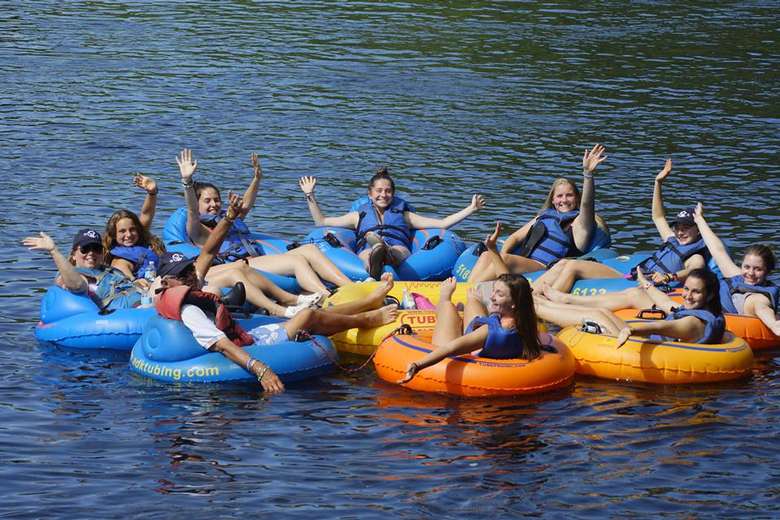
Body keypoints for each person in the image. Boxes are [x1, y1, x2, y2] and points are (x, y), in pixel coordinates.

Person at [155, 192, 399, 393]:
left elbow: (208, 252)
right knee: (306, 317)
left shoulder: (188, 285)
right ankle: (368, 318)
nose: (189, 275)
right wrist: (261, 369)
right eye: (182, 274)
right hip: (250, 347)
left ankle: (369, 301)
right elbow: (221, 346)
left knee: (312, 312)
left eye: (188, 270)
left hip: (249, 335)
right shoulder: (189, 310)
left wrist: (229, 217)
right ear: (167, 282)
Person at [177, 148, 352, 294]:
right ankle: (326, 296)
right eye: (207, 201)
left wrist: (256, 179)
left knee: (310, 249)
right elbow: (191, 210)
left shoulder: (228, 218)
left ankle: (350, 287)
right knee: (296, 261)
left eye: (216, 200)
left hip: (258, 259)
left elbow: (246, 204)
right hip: (239, 265)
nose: (214, 204)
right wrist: (187, 181)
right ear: (197, 202)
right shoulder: (198, 230)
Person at [532, 158, 708, 292]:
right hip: (629, 276)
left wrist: (669, 276)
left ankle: (545, 301)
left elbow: (694, 272)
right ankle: (530, 296)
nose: (680, 231)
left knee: (573, 266)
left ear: (699, 230)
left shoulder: (695, 256)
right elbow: (658, 216)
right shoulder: (672, 239)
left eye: (686, 227)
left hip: (642, 285)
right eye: (678, 227)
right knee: (564, 264)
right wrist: (658, 183)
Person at [299, 167, 486, 279]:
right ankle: (376, 257)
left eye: (388, 191)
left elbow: (443, 224)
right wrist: (310, 194)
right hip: (369, 249)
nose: (383, 195)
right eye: (379, 191)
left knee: (399, 251)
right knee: (366, 253)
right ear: (370, 194)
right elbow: (321, 221)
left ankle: (383, 251)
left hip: (397, 248)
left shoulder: (404, 216)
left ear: (393, 194)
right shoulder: (358, 216)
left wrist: (471, 209)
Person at [467, 144, 606, 283]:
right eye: (559, 196)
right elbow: (515, 237)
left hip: (543, 267)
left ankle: (468, 293)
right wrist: (500, 254)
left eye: (569, 195)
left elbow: (587, 205)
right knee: (486, 255)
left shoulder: (579, 222)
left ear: (577, 199)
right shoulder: (544, 216)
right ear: (553, 199)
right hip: (525, 261)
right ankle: (464, 290)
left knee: (504, 259)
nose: (564, 200)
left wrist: (587, 174)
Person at [398, 274, 542, 384]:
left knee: (447, 308)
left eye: (500, 294)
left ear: (514, 303)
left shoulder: (489, 331)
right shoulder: (527, 323)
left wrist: (417, 365)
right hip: (481, 334)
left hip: (468, 349)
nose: (492, 297)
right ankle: (468, 302)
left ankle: (445, 297)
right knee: (473, 299)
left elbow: (450, 348)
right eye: (494, 291)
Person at [537, 268, 726, 346]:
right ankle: (543, 303)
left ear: (709, 295)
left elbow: (659, 326)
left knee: (597, 315)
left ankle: (536, 307)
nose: (687, 295)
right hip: (646, 340)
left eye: (696, 292)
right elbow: (667, 304)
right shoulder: (700, 312)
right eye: (686, 289)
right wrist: (646, 284)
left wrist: (631, 329)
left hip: (638, 343)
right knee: (601, 312)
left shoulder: (694, 323)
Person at [692, 203, 780, 335]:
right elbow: (717, 250)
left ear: (767, 271)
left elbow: (761, 308)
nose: (750, 273)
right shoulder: (737, 277)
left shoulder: (759, 298)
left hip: (731, 327)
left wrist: (774, 325)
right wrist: (699, 219)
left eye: (758, 269)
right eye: (747, 267)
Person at [23, 228, 144, 310]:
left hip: (145, 299)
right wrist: (54, 251)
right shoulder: (76, 274)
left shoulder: (110, 270)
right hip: (131, 312)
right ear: (74, 254)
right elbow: (77, 285)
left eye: (96, 249)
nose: (91, 253)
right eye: (85, 249)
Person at [103, 174, 165, 281]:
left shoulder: (141, 238)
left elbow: (146, 214)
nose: (129, 235)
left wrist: (152, 192)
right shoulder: (118, 260)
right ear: (114, 234)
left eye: (132, 229)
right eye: (122, 231)